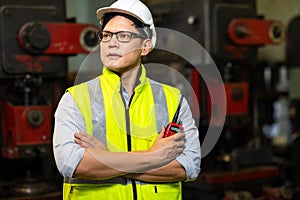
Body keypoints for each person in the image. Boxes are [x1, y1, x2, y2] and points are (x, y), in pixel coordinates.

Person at [52, 0, 201, 199]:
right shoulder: (75, 99)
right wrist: (154, 157)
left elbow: (188, 167)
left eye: (123, 36)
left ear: (146, 46)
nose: (112, 42)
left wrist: (106, 158)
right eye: (106, 35)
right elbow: (72, 163)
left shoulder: (173, 100)